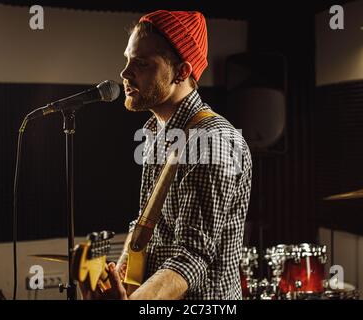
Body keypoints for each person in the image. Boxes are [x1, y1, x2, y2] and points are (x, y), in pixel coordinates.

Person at [81, 10, 252, 300]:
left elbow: (191, 256)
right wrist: (121, 280)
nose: (124, 73)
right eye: (127, 60)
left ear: (182, 72)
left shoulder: (212, 141)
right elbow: (145, 225)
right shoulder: (153, 132)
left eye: (142, 63)